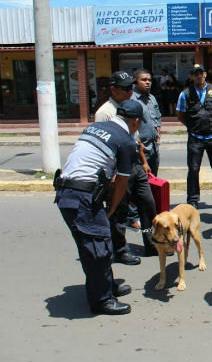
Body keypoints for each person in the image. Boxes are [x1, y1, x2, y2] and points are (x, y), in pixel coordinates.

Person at [54, 99, 146, 315]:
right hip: (81, 196)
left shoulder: (95, 127)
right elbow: (121, 182)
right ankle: (102, 300)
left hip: (68, 192)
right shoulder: (126, 141)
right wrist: (111, 210)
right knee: (98, 248)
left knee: (95, 244)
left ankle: (107, 286)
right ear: (136, 121)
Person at [94, 72, 145, 265]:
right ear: (113, 89)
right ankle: (120, 250)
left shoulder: (130, 108)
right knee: (119, 210)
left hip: (135, 164)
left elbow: (135, 138)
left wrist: (143, 161)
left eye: (132, 87)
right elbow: (103, 145)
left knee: (147, 204)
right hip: (117, 169)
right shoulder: (105, 112)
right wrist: (113, 175)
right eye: (126, 88)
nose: (131, 91)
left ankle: (153, 242)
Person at [177, 64, 212, 211]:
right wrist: (192, 127)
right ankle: (193, 200)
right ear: (191, 76)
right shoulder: (185, 94)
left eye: (201, 73)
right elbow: (181, 115)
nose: (199, 76)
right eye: (195, 74)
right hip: (195, 138)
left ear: (205, 74)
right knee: (193, 170)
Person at [131, 69, 161, 174]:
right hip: (141, 150)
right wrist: (139, 145)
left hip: (154, 148)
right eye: (144, 80)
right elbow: (130, 126)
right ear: (135, 81)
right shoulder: (132, 100)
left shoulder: (152, 98)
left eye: (149, 80)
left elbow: (157, 117)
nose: (148, 82)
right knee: (142, 183)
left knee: (155, 181)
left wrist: (158, 134)